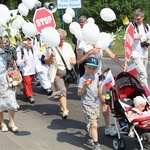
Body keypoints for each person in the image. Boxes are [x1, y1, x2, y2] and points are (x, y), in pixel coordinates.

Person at [77, 40, 127, 136]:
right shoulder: (83, 43)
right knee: (90, 101)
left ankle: (107, 127)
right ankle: (90, 122)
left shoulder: (100, 40)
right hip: (88, 78)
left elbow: (112, 55)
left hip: (99, 76)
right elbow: (79, 61)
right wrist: (90, 52)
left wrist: (121, 65)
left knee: (104, 101)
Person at [44, 29, 76, 118]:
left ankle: (62, 106)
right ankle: (65, 110)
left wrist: (73, 60)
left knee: (65, 90)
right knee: (63, 90)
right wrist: (51, 56)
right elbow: (47, 62)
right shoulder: (50, 47)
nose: (62, 40)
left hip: (68, 72)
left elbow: (73, 56)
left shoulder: (68, 46)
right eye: (61, 39)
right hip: (57, 73)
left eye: (64, 38)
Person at [78, 57, 101, 150]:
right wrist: (84, 86)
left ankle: (90, 138)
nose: (91, 70)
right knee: (94, 124)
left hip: (96, 103)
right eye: (89, 67)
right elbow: (79, 93)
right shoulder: (83, 79)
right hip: (87, 104)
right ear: (85, 67)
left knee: (94, 124)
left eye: (94, 68)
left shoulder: (95, 77)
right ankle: (96, 144)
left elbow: (97, 89)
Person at [124, 8, 150, 89]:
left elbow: (149, 38)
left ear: (143, 17)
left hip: (144, 54)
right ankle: (147, 94)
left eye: (138, 19)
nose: (136, 20)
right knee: (143, 75)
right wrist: (134, 37)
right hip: (135, 55)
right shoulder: (131, 26)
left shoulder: (147, 26)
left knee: (141, 76)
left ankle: (140, 92)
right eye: (135, 18)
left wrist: (148, 43)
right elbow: (124, 41)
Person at [0, 38, 19, 132]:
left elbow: (14, 62)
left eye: (6, 42)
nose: (5, 45)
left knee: (12, 100)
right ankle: (2, 123)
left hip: (9, 79)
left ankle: (12, 122)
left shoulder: (10, 50)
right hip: (0, 80)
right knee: (1, 102)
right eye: (3, 43)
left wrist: (12, 55)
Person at [16, 36, 42, 103]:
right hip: (25, 70)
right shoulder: (20, 50)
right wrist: (23, 62)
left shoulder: (33, 50)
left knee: (28, 83)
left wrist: (38, 69)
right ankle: (30, 96)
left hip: (32, 70)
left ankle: (26, 93)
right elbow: (18, 61)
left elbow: (36, 60)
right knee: (27, 83)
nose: (29, 42)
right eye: (27, 41)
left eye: (30, 40)